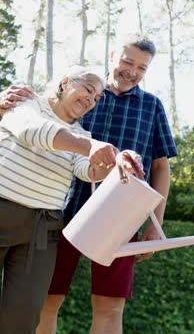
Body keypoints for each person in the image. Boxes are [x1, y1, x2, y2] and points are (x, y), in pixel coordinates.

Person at [1, 34, 178, 334]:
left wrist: (155, 221)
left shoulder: (151, 106)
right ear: (112, 57)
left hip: (121, 216)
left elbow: (159, 166)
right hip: (65, 211)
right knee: (46, 300)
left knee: (109, 306)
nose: (133, 71)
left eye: (142, 68)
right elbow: (40, 126)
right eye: (127, 61)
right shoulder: (74, 98)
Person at [0, 67, 121, 334]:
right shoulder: (26, 101)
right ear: (65, 83)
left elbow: (87, 170)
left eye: (97, 98)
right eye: (88, 90)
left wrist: (113, 164)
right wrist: (89, 147)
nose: (91, 100)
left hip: (42, 230)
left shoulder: (83, 136)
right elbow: (32, 130)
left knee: (23, 318)